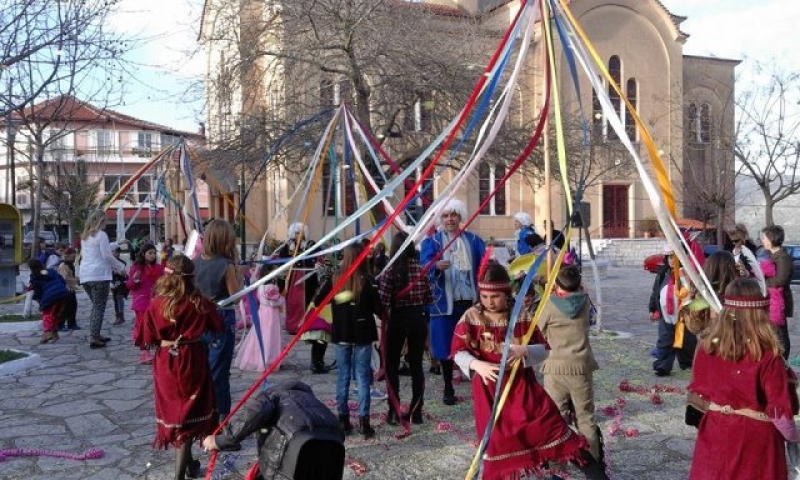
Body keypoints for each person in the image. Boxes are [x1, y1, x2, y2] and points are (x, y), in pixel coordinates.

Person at [451, 262, 608, 480]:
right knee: (497, 444)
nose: (490, 302)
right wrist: (477, 365)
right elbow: (458, 351)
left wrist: (525, 350)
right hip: (490, 394)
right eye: (485, 297)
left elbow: (543, 349)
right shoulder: (471, 317)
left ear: (506, 292)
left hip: (522, 389)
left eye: (495, 296)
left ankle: (597, 475)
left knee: (554, 430)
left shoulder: (520, 316)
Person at [687, 277, 799, 479]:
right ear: (761, 313)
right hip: (755, 438)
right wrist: (793, 437)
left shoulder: (707, 347)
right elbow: (779, 410)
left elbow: (698, 392)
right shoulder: (767, 355)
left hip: (716, 429)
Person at [136, 255, 223, 480]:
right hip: (192, 359)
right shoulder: (199, 302)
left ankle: (189, 465)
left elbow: (145, 338)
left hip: (166, 362)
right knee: (187, 415)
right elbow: (217, 326)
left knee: (181, 416)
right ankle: (180, 475)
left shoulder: (156, 304)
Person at [202, 381, 345, 480]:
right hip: (333, 449)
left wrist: (220, 440)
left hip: (296, 448)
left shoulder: (274, 394)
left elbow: (254, 414)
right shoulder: (314, 403)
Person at [421, 199, 486, 406]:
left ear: (460, 217)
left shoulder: (474, 240)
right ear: (441, 219)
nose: (450, 219)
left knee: (474, 344)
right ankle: (448, 387)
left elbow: (483, 266)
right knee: (445, 346)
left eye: (453, 215)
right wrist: (435, 266)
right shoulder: (432, 242)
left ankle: (480, 387)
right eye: (446, 215)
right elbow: (423, 266)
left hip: (470, 302)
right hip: (443, 303)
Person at [538, 265, 603, 465]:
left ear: (556, 285)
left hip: (555, 368)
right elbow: (591, 319)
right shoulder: (585, 303)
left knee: (556, 416)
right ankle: (594, 462)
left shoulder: (549, 305)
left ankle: (558, 461)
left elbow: (537, 331)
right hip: (581, 368)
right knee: (585, 416)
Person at [316, 244, 382, 439]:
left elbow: (319, 300)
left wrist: (338, 297)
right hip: (362, 333)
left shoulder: (335, 278)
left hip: (342, 333)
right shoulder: (368, 280)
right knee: (362, 377)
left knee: (343, 376)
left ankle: (343, 420)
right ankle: (364, 422)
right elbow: (379, 309)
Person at [378, 231, 433, 426]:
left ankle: (394, 410)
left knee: (391, 364)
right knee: (417, 365)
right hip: (418, 318)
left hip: (398, 319)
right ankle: (417, 411)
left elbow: (383, 300)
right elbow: (429, 298)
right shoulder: (421, 269)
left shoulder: (390, 271)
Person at [194, 219, 243, 421]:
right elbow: (236, 297)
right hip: (221, 320)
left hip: (198, 319)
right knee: (220, 372)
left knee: (203, 370)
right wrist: (242, 275)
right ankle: (220, 419)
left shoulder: (195, 263)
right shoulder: (226, 266)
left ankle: (203, 413)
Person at [79, 210, 125, 349]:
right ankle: (94, 337)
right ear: (100, 221)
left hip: (86, 275)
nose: (106, 223)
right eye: (105, 220)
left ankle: (96, 334)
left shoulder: (85, 237)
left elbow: (90, 254)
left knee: (96, 306)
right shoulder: (101, 235)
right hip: (99, 275)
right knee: (99, 307)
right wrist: (120, 267)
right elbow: (106, 255)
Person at [234, 280, 284, 372]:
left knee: (258, 335)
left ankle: (255, 359)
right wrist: (281, 300)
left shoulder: (260, 287)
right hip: (271, 315)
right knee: (270, 337)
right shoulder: (272, 287)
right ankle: (268, 360)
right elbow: (274, 303)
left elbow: (258, 300)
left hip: (261, 313)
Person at [128, 243, 165, 364]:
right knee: (143, 327)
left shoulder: (159, 268)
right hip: (142, 303)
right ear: (143, 254)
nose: (153, 255)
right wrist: (135, 280)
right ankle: (145, 352)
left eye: (154, 253)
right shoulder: (136, 268)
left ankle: (157, 349)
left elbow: (167, 277)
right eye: (150, 253)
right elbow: (129, 285)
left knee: (156, 327)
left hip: (156, 302)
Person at [761, 225, 793, 358]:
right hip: (771, 299)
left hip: (779, 302)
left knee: (780, 333)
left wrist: (762, 283)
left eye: (764, 237)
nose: (762, 240)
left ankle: (783, 362)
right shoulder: (772, 255)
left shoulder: (782, 257)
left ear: (772, 238)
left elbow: (781, 280)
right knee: (773, 332)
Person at [28, 258, 70, 344]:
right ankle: (54, 333)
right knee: (55, 315)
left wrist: (39, 301)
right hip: (63, 294)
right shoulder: (51, 271)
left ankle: (47, 333)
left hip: (50, 297)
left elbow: (37, 292)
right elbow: (62, 280)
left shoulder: (35, 277)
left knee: (47, 315)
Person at [57, 247, 80, 331]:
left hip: (71, 289)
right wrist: (76, 280)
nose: (74, 258)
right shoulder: (63, 265)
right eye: (73, 256)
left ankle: (72, 323)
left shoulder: (70, 264)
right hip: (65, 289)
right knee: (65, 308)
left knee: (73, 306)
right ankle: (60, 325)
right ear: (67, 256)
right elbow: (65, 278)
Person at [110, 245, 129, 326]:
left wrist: (121, 273)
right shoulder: (108, 263)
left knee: (119, 297)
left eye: (118, 252)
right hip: (113, 284)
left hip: (121, 284)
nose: (117, 254)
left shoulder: (122, 262)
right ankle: (118, 316)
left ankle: (121, 316)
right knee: (115, 300)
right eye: (115, 252)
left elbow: (125, 274)